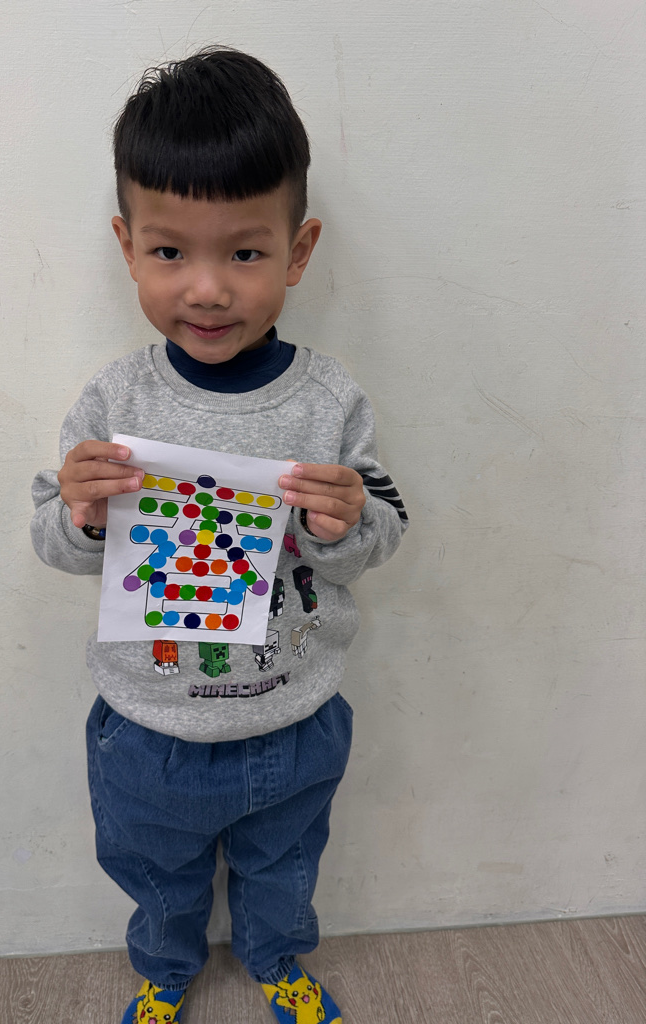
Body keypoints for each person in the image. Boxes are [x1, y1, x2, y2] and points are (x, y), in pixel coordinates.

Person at [31, 47, 409, 1024]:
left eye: (244, 253)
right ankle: (164, 970)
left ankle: (276, 956)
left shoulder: (329, 400)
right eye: (170, 253)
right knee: (155, 871)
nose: (207, 290)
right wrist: (78, 511)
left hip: (294, 713)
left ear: (299, 250)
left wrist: (345, 522)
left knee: (285, 864)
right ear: (127, 247)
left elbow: (385, 526)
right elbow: (54, 538)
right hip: (147, 725)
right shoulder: (114, 399)